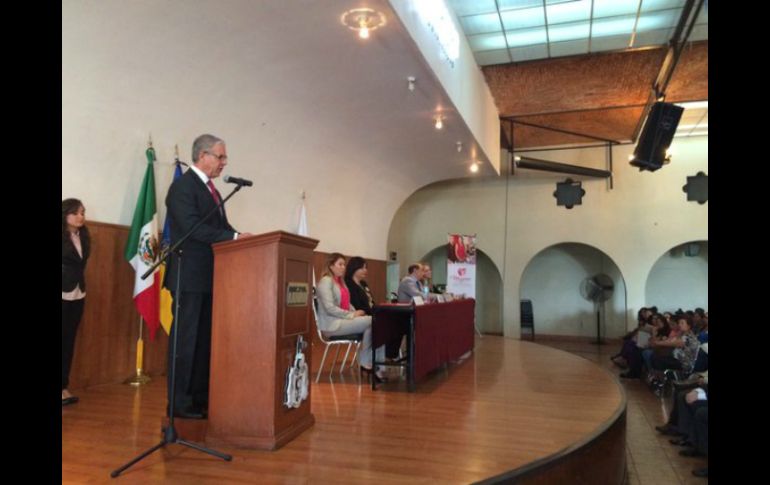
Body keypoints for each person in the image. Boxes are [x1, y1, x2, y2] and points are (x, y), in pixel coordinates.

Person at [164, 133, 250, 419]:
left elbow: (220, 226)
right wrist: (233, 237)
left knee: (203, 342)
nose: (224, 162)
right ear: (203, 156)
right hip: (188, 277)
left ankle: (199, 398)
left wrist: (242, 237)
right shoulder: (183, 187)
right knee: (186, 342)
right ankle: (179, 403)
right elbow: (193, 228)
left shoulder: (211, 190)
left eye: (224, 157)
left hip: (210, 277)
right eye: (220, 156)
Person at [317, 253, 385, 381]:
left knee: (375, 325)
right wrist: (352, 315)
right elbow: (329, 308)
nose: (343, 267)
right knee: (374, 321)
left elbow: (347, 303)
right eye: (340, 264)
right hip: (332, 325)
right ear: (331, 266)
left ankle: (378, 366)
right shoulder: (326, 281)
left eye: (344, 264)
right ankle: (367, 361)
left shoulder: (340, 282)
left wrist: (356, 312)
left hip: (343, 321)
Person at [345, 256, 406, 362]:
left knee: (399, 322)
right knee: (388, 323)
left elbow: (371, 301)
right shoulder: (348, 284)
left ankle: (390, 354)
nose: (365, 270)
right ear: (354, 268)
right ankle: (384, 355)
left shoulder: (363, 284)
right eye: (362, 268)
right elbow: (356, 305)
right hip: (361, 315)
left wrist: (378, 308)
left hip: (372, 312)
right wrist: (374, 311)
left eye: (366, 268)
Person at [62, 198, 90, 406]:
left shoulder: (84, 236)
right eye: (76, 213)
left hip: (78, 292)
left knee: (68, 341)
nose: (80, 216)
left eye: (82, 212)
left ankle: (63, 387)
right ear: (65, 215)